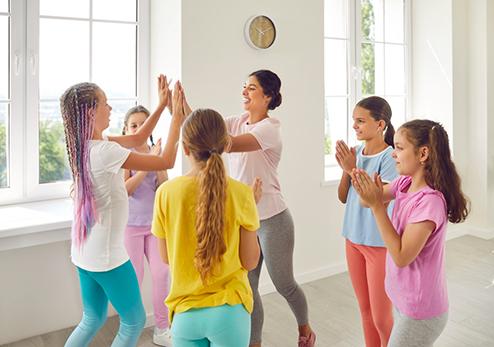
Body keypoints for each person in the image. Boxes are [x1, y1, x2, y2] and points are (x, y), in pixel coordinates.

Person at [61, 75, 186, 347]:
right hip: (108, 259)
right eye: (106, 103)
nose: (111, 109)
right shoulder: (104, 151)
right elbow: (165, 159)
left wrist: (162, 105)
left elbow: (139, 136)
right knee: (134, 322)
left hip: (84, 254)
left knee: (91, 319)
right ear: (91, 111)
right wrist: (177, 116)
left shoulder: (86, 145)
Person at [351, 119, 469, 347]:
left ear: (423, 153)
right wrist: (363, 184)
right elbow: (368, 201)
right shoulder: (404, 183)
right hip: (404, 300)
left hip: (421, 312)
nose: (393, 154)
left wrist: (377, 205)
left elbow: (402, 256)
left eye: (400, 148)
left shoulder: (430, 203)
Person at [152, 108, 262, 347]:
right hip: (229, 312)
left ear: (185, 148)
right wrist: (250, 205)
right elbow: (250, 261)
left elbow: (165, 257)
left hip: (185, 314)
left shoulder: (165, 193)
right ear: (224, 145)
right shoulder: (242, 194)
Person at [225, 70, 316, 347]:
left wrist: (196, 127)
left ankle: (305, 330)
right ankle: (255, 343)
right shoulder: (238, 120)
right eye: (244, 86)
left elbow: (227, 144)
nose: (244, 91)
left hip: (273, 218)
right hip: (245, 219)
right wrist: (180, 110)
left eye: (251, 88)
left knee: (283, 283)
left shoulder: (269, 129)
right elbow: (205, 127)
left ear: (267, 97)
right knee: (249, 288)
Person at [335, 96, 397, 347]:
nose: (355, 126)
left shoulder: (390, 157)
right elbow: (343, 197)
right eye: (354, 121)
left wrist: (352, 169)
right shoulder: (355, 153)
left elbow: (378, 201)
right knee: (364, 310)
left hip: (377, 245)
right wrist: (345, 169)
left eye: (361, 121)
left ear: (380, 124)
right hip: (353, 240)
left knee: (382, 317)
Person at [122, 105, 171, 346]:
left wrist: (158, 162)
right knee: (135, 279)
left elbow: (163, 189)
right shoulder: (123, 155)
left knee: (162, 274)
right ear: (126, 129)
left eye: (144, 124)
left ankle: (162, 329)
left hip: (155, 227)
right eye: (134, 125)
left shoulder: (156, 153)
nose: (139, 128)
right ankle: (129, 328)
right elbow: (126, 191)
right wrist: (145, 166)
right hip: (130, 227)